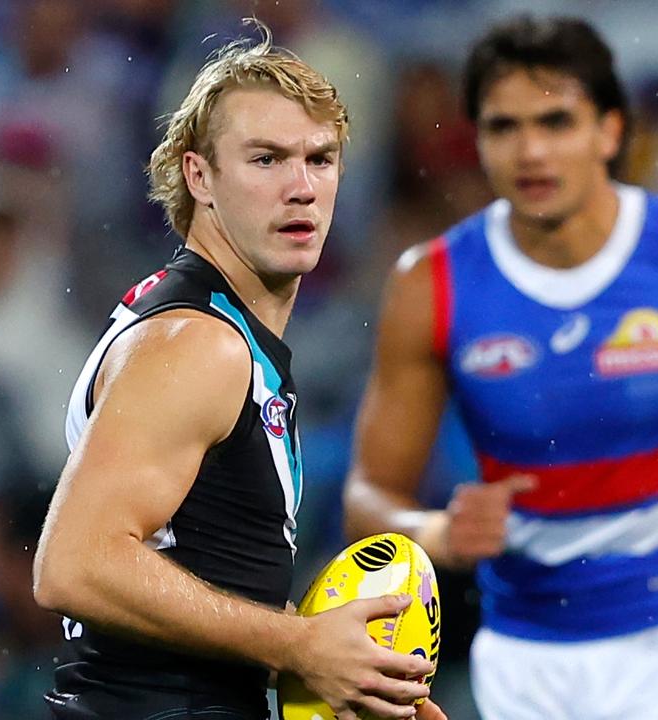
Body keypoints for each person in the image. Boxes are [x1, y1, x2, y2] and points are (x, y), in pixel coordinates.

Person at [343, 16, 658, 720]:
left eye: (556, 121)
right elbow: (369, 500)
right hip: (525, 657)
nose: (531, 150)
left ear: (611, 132)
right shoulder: (429, 287)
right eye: (504, 127)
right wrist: (437, 534)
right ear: (479, 142)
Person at [33, 25, 441, 720]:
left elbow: (197, 571)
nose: (301, 187)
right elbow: (75, 563)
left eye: (321, 159)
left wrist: (345, 670)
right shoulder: (197, 344)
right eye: (267, 159)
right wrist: (296, 644)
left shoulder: (219, 332)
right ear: (200, 176)